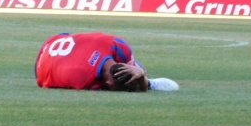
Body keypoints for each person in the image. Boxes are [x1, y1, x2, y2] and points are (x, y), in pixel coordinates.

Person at [35, 32, 179, 92]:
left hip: (53, 43)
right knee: (139, 72)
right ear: (109, 84)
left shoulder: (117, 44)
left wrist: (140, 74)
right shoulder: (84, 79)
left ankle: (146, 80)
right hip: (42, 66)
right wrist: (142, 76)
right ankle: (150, 83)